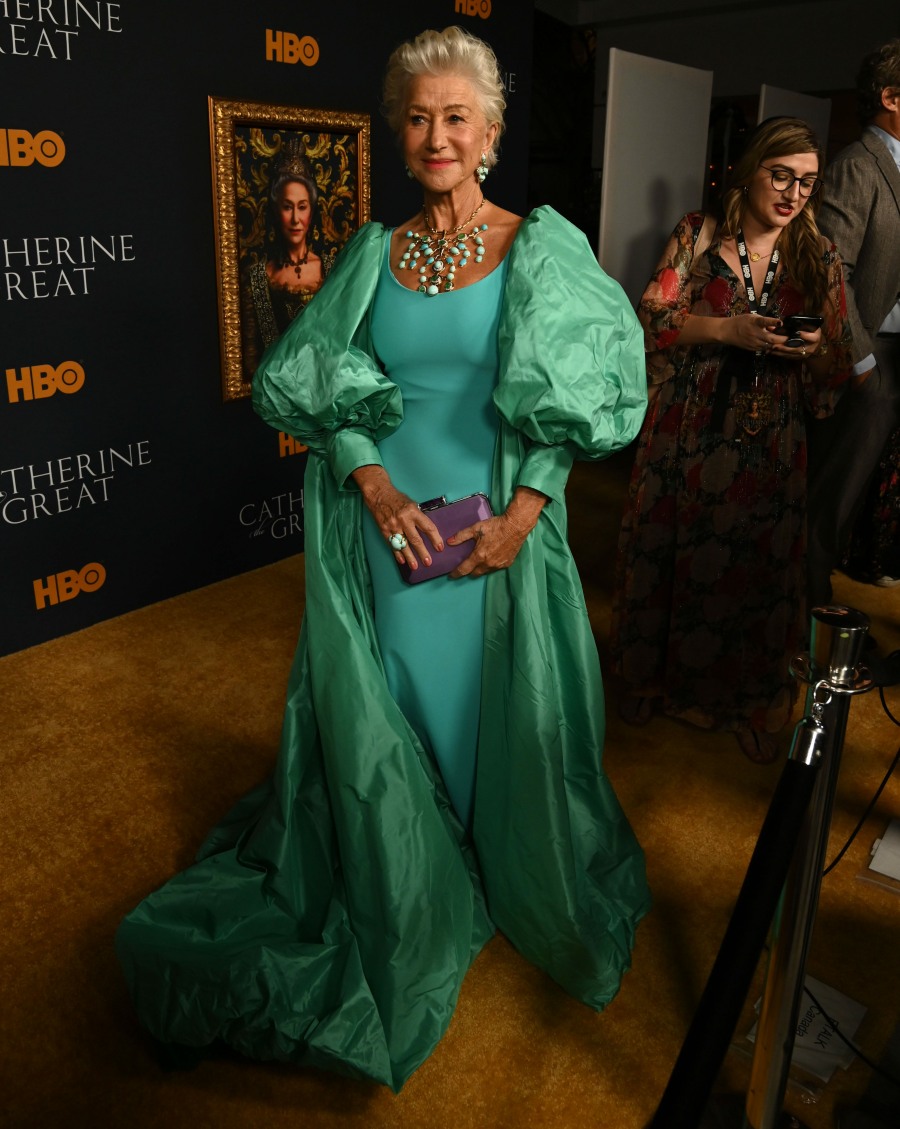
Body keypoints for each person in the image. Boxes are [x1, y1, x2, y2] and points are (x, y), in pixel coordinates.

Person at [116, 26, 650, 1091]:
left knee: (494, 711)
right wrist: (372, 481)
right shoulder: (371, 250)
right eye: (418, 117)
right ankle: (418, 876)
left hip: (499, 534)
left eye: (457, 116)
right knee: (392, 707)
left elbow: (580, 395)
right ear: (399, 135)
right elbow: (317, 379)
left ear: (491, 134)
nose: (435, 134)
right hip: (391, 527)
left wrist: (528, 511)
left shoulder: (541, 245)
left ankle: (506, 866)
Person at [610, 117, 852, 764]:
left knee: (757, 562)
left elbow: (836, 352)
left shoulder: (819, 253)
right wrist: (727, 332)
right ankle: (651, 681)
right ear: (749, 172)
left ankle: (748, 701)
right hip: (689, 423)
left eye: (807, 181)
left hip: (770, 430)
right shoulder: (699, 233)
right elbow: (651, 317)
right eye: (781, 175)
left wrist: (808, 343)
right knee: (671, 544)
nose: (794, 192)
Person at [808, 39, 900, 600]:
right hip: (875, 357)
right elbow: (830, 270)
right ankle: (806, 611)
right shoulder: (856, 165)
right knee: (833, 497)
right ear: (891, 97)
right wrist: (861, 361)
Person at [241, 137, 335, 381]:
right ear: (275, 210)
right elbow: (252, 360)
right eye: (287, 207)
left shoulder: (332, 268)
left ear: (311, 210)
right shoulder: (258, 277)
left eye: (302, 207)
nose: (295, 219)